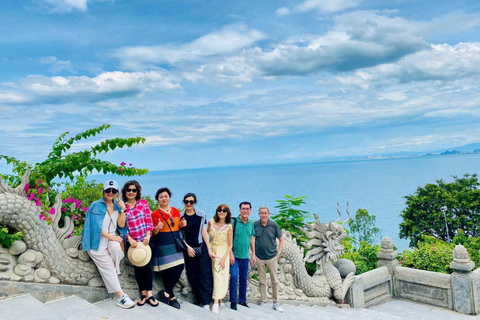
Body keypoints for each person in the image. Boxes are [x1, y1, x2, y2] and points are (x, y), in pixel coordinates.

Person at [81, 179, 135, 309]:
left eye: (114, 190)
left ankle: (113, 272)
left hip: (111, 239)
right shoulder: (96, 205)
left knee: (116, 249)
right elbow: (95, 228)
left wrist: (123, 209)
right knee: (108, 267)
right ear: (103, 191)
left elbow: (121, 225)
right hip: (96, 241)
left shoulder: (117, 207)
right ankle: (121, 296)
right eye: (108, 190)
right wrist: (112, 237)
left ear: (117, 192)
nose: (111, 193)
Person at [122, 180, 158, 307]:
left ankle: (149, 294)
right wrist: (129, 239)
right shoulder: (122, 207)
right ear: (125, 191)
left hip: (146, 240)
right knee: (138, 268)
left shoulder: (143, 203)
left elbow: (149, 221)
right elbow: (121, 227)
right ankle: (142, 293)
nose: (131, 192)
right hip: (133, 243)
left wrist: (148, 235)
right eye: (129, 190)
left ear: (137, 192)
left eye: (134, 190)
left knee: (148, 267)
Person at [151, 187, 186, 309]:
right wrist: (157, 228)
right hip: (163, 244)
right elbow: (153, 233)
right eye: (161, 197)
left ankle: (165, 293)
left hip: (175, 243)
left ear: (169, 197)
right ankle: (171, 296)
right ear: (157, 199)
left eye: (166, 196)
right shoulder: (155, 214)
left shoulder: (176, 211)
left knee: (180, 265)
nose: (164, 199)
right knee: (167, 270)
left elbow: (178, 228)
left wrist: (182, 225)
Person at [181, 193, 213, 310]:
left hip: (201, 247)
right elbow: (179, 235)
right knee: (192, 275)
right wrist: (187, 247)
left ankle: (206, 302)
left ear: (195, 202)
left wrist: (208, 249)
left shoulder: (201, 214)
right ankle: (200, 299)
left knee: (205, 274)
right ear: (183, 202)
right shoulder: (181, 216)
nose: (188, 204)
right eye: (186, 201)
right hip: (188, 249)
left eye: (191, 202)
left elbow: (204, 232)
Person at [254, 205, 284, 312]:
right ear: (259, 214)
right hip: (259, 256)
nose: (263, 215)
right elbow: (252, 239)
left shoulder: (274, 225)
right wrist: (253, 253)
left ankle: (276, 302)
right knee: (262, 280)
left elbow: (281, 239)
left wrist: (278, 253)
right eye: (261, 213)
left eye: (265, 213)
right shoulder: (255, 225)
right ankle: (263, 300)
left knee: (274, 280)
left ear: (269, 214)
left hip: (272, 257)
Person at [205, 204, 233, 314]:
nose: (221, 212)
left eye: (224, 211)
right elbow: (205, 235)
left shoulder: (229, 227)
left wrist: (224, 258)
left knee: (219, 275)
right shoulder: (211, 222)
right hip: (211, 250)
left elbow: (230, 245)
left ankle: (216, 301)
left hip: (222, 252)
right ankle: (219, 298)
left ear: (227, 213)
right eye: (219, 210)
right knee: (212, 275)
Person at [229, 201, 256, 310]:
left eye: (247, 209)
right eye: (243, 209)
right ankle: (233, 301)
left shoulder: (251, 223)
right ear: (240, 210)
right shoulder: (233, 222)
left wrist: (253, 254)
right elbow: (228, 239)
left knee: (244, 279)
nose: (245, 211)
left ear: (250, 210)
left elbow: (252, 238)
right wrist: (230, 253)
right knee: (234, 277)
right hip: (234, 256)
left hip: (245, 256)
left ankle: (242, 300)